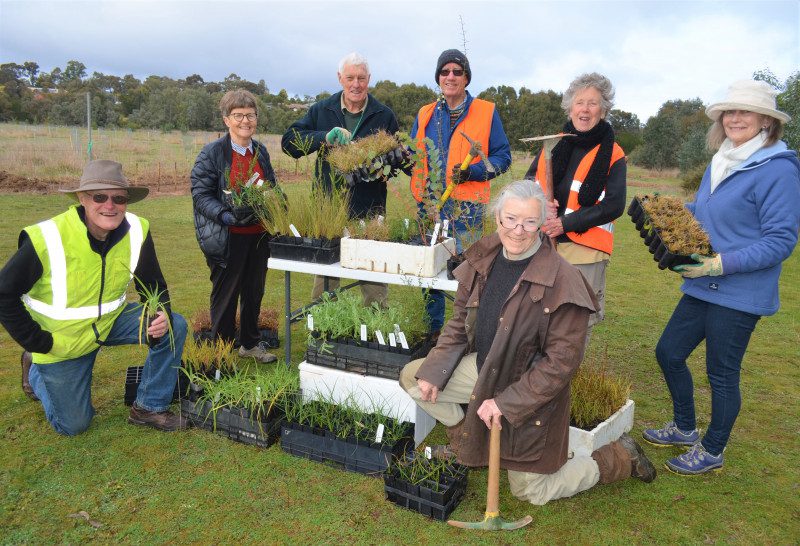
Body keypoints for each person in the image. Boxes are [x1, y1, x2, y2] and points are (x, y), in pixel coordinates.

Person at [400, 180, 655, 506]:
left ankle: (618, 457)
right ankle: (469, 438)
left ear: (542, 224)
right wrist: (435, 371)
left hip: (530, 395)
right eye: (510, 219)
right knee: (415, 378)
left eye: (529, 222)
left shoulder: (564, 281)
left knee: (532, 492)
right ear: (498, 218)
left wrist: (505, 404)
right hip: (483, 371)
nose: (518, 230)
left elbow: (559, 366)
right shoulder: (483, 259)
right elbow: (459, 324)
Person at [643, 80, 800, 475]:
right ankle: (683, 427)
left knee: (721, 373)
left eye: (745, 111)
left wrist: (721, 263)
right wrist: (677, 210)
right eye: (729, 111)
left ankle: (712, 450)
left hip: (740, 290)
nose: (735, 118)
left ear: (766, 120)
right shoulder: (723, 159)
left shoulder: (778, 170)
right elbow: (707, 211)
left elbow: (781, 240)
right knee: (669, 352)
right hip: (702, 283)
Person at [0, 160, 189, 435]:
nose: (110, 206)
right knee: (74, 425)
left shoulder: (137, 230)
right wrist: (37, 341)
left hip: (109, 322)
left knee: (175, 324)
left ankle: (149, 406)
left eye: (119, 198)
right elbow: (4, 294)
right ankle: (36, 369)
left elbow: (153, 283)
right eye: (99, 197)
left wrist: (160, 312)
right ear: (82, 198)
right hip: (61, 340)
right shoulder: (48, 238)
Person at [281, 52, 400, 306]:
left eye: (361, 78)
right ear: (339, 78)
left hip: (369, 212)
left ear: (369, 79)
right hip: (329, 211)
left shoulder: (384, 115)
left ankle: (374, 335)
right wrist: (324, 137)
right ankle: (322, 335)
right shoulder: (322, 110)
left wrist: (378, 162)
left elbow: (398, 162)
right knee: (325, 283)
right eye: (350, 78)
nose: (355, 84)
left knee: (373, 282)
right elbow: (289, 143)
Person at [409, 48, 511, 336]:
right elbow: (414, 156)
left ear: (466, 78)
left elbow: (503, 158)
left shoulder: (486, 111)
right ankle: (432, 333)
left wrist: (474, 172)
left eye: (457, 71)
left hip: (468, 208)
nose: (450, 76)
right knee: (429, 272)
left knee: (467, 275)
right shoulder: (426, 114)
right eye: (444, 71)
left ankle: (464, 335)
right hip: (430, 207)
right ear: (437, 78)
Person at [524, 72, 626, 347]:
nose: (585, 109)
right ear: (570, 107)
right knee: (539, 315)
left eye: (593, 103)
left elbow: (615, 205)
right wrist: (539, 201)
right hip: (543, 244)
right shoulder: (553, 144)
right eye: (579, 102)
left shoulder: (613, 152)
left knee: (575, 323)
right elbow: (528, 183)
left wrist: (566, 223)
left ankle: (564, 382)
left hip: (586, 252)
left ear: (603, 110)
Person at [191, 89, 282, 363]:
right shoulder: (212, 154)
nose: (246, 121)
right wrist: (226, 215)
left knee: (254, 292)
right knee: (226, 296)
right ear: (226, 119)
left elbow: (271, 187)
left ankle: (251, 344)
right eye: (238, 115)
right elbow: (201, 194)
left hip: (258, 236)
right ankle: (220, 353)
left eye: (250, 115)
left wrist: (277, 202)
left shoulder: (261, 151)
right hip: (227, 236)